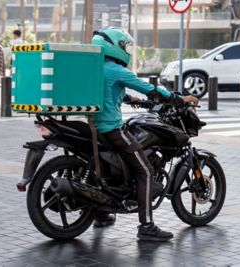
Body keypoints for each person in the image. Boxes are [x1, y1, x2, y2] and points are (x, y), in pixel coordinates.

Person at [91, 27, 199, 241]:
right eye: (125, 46)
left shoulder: (96, 68)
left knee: (107, 170)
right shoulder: (117, 70)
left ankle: (102, 212)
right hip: (109, 130)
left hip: (93, 128)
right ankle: (147, 226)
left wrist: (135, 101)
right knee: (146, 172)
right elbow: (150, 88)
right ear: (115, 47)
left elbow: (109, 92)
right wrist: (178, 99)